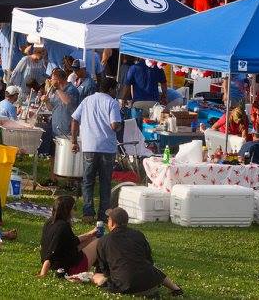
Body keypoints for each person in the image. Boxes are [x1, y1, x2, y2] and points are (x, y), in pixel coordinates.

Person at [92, 207, 182, 295]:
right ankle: (176, 288)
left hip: (125, 287)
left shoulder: (103, 241)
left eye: (108, 219)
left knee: (96, 276)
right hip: (151, 284)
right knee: (152, 269)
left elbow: (104, 269)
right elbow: (148, 259)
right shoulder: (138, 234)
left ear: (112, 223)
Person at [71, 78, 124, 220]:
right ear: (111, 89)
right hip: (106, 148)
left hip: (89, 146)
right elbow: (114, 125)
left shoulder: (87, 100)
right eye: (116, 89)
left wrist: (74, 141)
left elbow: (75, 119)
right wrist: (120, 125)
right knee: (105, 182)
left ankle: (88, 212)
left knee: (88, 180)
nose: (116, 92)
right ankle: (104, 214)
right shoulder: (112, 103)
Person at [39, 194, 99, 278]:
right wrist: (43, 274)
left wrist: (90, 234)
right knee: (98, 241)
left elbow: (72, 242)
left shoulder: (49, 222)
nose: (75, 211)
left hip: (58, 264)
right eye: (74, 208)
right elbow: (52, 252)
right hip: (70, 268)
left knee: (93, 238)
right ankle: (101, 270)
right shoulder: (63, 227)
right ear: (68, 210)